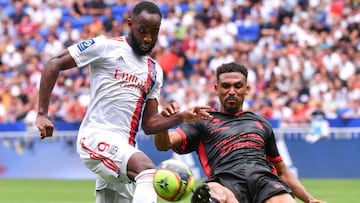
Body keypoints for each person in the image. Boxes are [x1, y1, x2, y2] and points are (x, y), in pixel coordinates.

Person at [36, 1, 212, 203]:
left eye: (154, 32)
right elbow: (54, 63)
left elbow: (150, 125)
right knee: (147, 171)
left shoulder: (155, 71)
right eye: (142, 30)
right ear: (130, 24)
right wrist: (42, 113)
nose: (148, 38)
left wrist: (180, 117)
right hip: (96, 137)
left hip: (125, 150)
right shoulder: (105, 47)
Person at [155, 62, 327, 203]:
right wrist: (165, 123)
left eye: (238, 86)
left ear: (246, 89)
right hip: (225, 183)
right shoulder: (202, 118)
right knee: (207, 196)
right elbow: (164, 144)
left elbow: (282, 172)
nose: (232, 91)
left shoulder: (261, 124)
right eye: (226, 86)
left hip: (264, 182)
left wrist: (310, 199)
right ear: (216, 88)